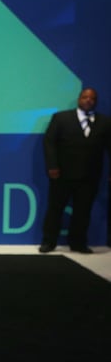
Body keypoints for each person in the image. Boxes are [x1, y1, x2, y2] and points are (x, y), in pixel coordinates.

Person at [39, 87, 110, 254]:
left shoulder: (105, 122)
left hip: (90, 176)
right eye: (85, 97)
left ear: (96, 102)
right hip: (62, 174)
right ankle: (49, 242)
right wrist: (52, 166)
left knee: (83, 211)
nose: (88, 100)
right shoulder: (61, 118)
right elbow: (49, 142)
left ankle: (78, 243)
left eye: (92, 98)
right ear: (79, 99)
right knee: (55, 209)